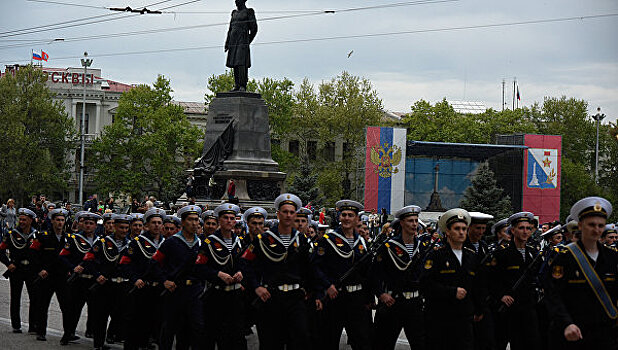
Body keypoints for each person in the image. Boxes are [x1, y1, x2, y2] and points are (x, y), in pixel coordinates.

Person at [241, 193, 313, 350]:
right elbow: (245, 264)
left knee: (300, 341)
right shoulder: (263, 239)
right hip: (271, 299)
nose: (288, 215)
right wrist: (256, 286)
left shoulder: (301, 240)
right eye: (285, 211)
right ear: (278, 214)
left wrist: (312, 291)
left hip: (295, 299)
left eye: (291, 212)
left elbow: (309, 268)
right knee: (271, 342)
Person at [544, 197, 618, 350]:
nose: (596, 230)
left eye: (600, 225)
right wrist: (566, 323)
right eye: (591, 224)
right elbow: (553, 295)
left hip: (606, 332)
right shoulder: (564, 257)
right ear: (580, 225)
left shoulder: (612, 257)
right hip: (574, 332)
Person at [421, 208, 485, 350]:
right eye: (457, 229)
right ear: (447, 232)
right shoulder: (436, 255)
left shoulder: (471, 256)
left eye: (464, 229)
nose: (461, 232)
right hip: (440, 316)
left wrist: (479, 308)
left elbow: (478, 285)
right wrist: (451, 291)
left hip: (464, 317)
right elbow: (426, 284)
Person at [313, 200, 372, 350]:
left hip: (356, 299)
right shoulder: (328, 240)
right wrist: (327, 286)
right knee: (329, 340)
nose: (346, 218)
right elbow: (316, 267)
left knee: (362, 341)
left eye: (350, 215)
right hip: (335, 297)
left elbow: (367, 273)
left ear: (356, 219)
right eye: (343, 214)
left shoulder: (362, 242)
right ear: (339, 217)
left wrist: (369, 298)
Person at [370, 205, 429, 350]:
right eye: (410, 221)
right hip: (393, 302)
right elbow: (373, 274)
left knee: (420, 343)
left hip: (414, 304)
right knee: (384, 343)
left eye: (416, 220)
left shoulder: (422, 247)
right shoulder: (388, 247)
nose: (414, 224)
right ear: (402, 223)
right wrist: (381, 294)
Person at [152, 205, 205, 350]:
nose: (194, 223)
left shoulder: (201, 243)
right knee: (169, 328)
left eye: (196, 220)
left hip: (194, 291)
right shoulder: (171, 242)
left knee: (194, 328)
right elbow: (154, 263)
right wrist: (164, 280)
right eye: (190, 220)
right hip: (175, 291)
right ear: (182, 222)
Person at [195, 203, 245, 350]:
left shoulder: (238, 241)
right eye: (225, 218)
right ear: (219, 221)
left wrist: (241, 272)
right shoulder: (208, 243)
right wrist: (218, 274)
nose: (229, 221)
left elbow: (244, 263)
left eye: (232, 218)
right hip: (216, 295)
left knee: (236, 335)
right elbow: (199, 268)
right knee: (212, 334)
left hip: (235, 295)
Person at [489, 212, 541, 350]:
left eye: (528, 228)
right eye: (521, 228)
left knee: (531, 342)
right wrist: (501, 295)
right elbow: (492, 279)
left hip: (529, 305)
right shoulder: (501, 254)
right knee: (506, 341)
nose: (525, 232)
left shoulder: (534, 253)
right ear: (513, 230)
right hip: (509, 307)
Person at [120, 207, 166, 350]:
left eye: (159, 222)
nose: (157, 225)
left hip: (159, 289)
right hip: (141, 288)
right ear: (147, 225)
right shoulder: (137, 242)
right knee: (136, 323)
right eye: (153, 222)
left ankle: (146, 343)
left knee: (154, 322)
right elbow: (124, 264)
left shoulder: (167, 243)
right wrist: (134, 278)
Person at [83, 213, 130, 350]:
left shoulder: (131, 244)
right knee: (101, 316)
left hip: (122, 285)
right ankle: (98, 344)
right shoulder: (102, 242)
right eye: (121, 227)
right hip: (105, 285)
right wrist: (97, 275)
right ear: (114, 227)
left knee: (121, 315)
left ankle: (114, 336)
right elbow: (88, 259)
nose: (124, 230)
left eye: (126, 228)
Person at [59, 211, 101, 345]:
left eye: (91, 224)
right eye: (86, 223)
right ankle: (67, 334)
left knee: (95, 310)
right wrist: (73, 268)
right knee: (74, 309)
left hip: (93, 280)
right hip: (79, 280)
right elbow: (63, 256)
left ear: (95, 226)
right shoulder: (74, 239)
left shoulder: (100, 241)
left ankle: (95, 337)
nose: (88, 226)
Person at [30, 208, 71, 342]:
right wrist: (39, 269)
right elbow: (33, 255)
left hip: (62, 277)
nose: (60, 223)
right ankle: (41, 331)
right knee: (42, 305)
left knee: (66, 306)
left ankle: (68, 334)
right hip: (46, 277)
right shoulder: (43, 236)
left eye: (62, 220)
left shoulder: (69, 238)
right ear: (52, 221)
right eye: (57, 220)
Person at [0, 208, 40, 334]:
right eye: (20, 219)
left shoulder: (36, 235)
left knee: (34, 298)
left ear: (31, 220)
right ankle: (16, 325)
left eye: (24, 220)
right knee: (15, 297)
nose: (21, 222)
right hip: (16, 270)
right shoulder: (11, 234)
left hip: (31, 270)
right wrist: (8, 264)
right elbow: (1, 251)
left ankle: (33, 326)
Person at [225, 0, 257, 91]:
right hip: (233, 42)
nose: (236, 1)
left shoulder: (248, 12)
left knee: (241, 63)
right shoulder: (234, 13)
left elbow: (254, 29)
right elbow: (230, 29)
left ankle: (243, 85)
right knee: (235, 63)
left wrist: (247, 41)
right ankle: (237, 85)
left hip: (242, 41)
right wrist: (227, 43)